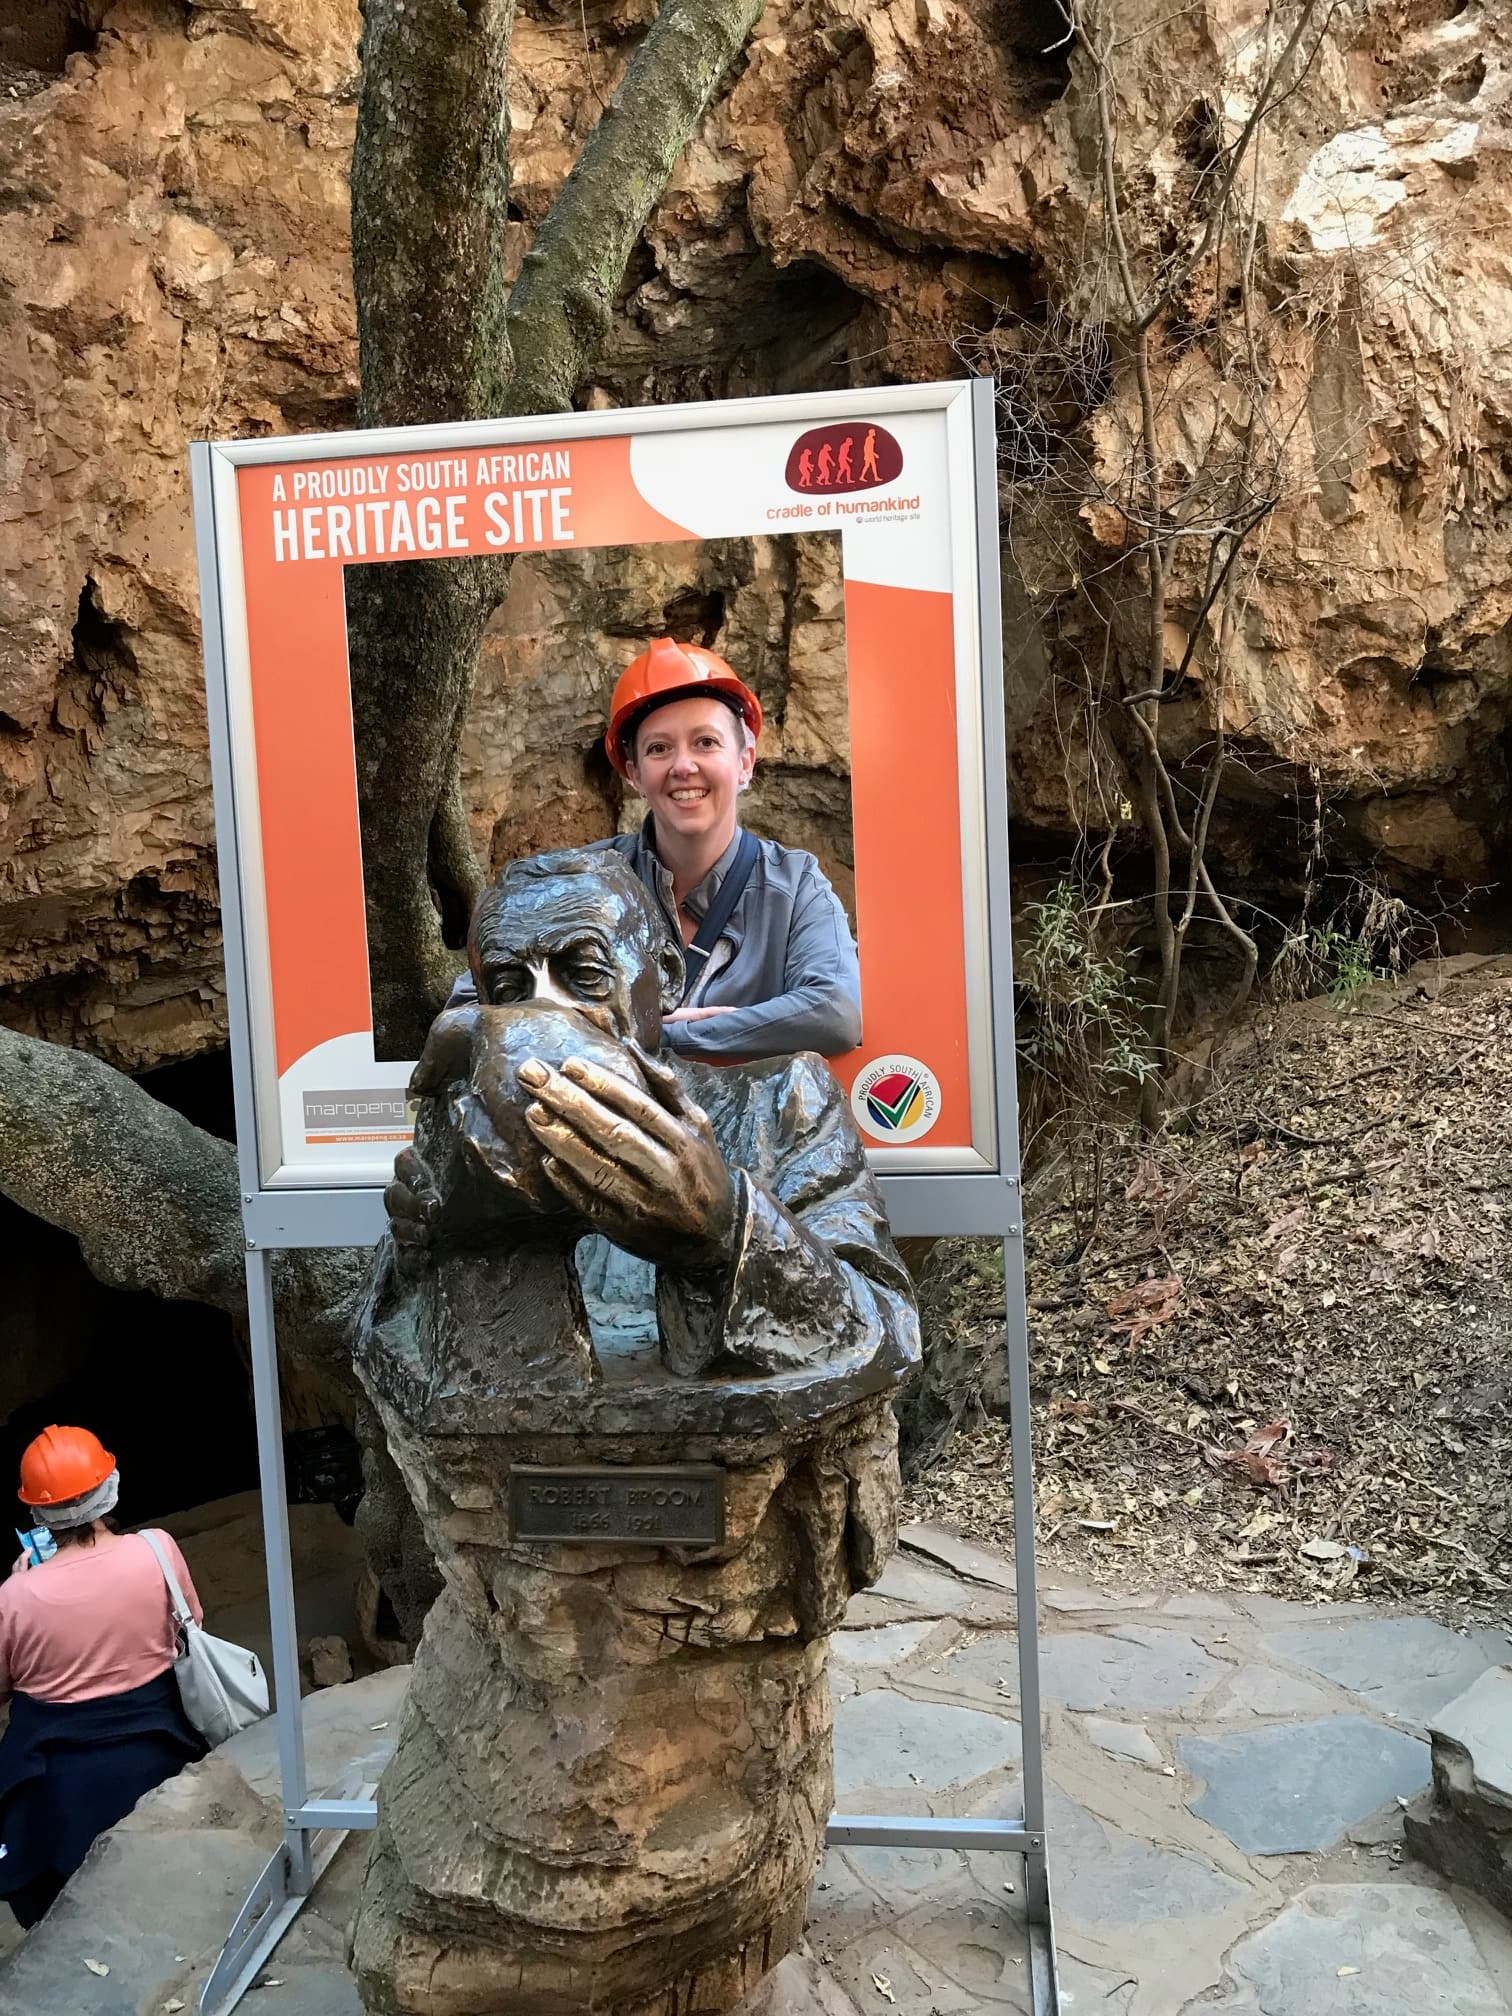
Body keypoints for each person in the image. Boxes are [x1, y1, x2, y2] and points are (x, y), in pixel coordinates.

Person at [453, 637, 861, 1064]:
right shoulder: (580, 885)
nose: (683, 766)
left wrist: (672, 1035)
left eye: (706, 742)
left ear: (745, 761)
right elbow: (470, 1009)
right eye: (659, 748)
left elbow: (834, 1012)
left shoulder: (795, 885)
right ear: (633, 773)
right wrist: (654, 1030)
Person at [0, 1427, 206, 1928]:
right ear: (109, 1488)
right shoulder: (157, 1550)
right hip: (160, 1741)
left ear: (38, 1514)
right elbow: (192, 1629)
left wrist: (23, 1582)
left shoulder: (16, 1597)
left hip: (53, 1777)